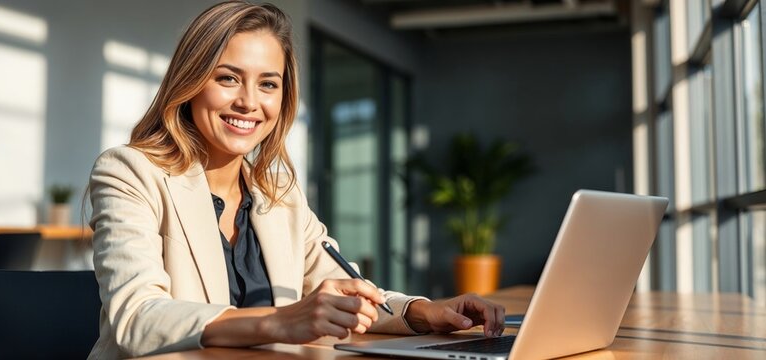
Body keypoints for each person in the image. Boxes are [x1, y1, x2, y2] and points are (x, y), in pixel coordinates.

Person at [87, 1, 505, 358]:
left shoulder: (278, 194)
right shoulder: (130, 172)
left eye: (268, 84)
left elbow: (345, 294)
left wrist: (422, 312)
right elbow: (137, 317)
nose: (249, 102)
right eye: (228, 77)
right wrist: (280, 321)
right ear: (190, 82)